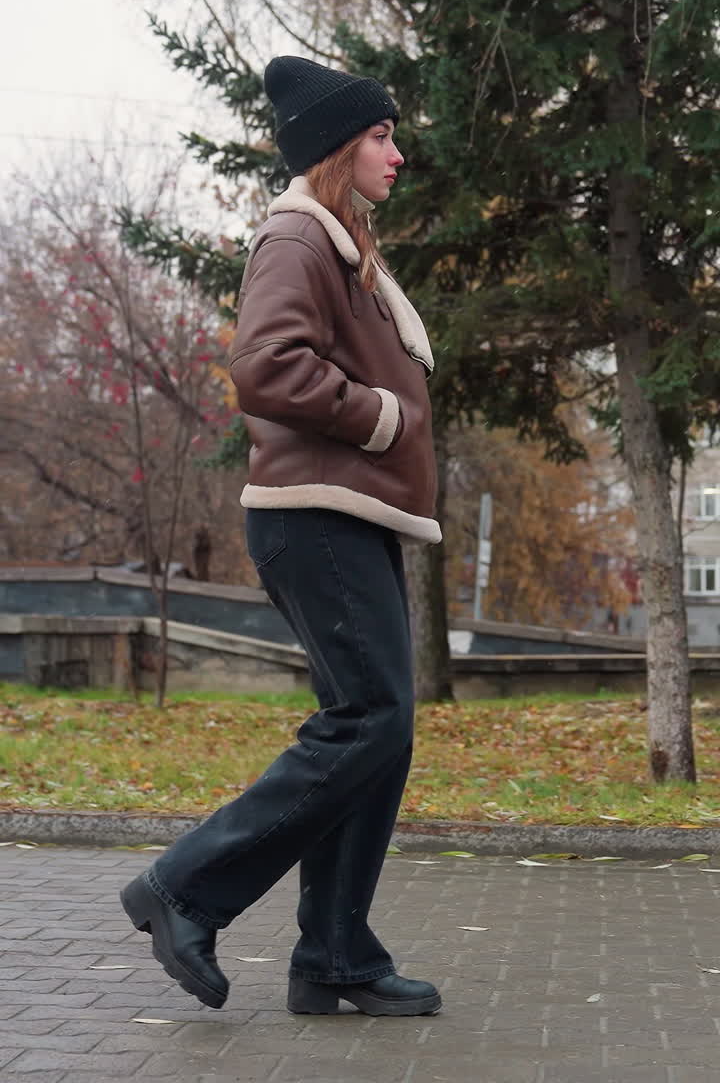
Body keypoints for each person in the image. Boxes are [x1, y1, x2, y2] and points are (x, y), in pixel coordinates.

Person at [120, 54, 442, 1018]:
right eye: (381, 135)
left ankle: (335, 954)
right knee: (370, 721)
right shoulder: (297, 239)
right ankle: (184, 887)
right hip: (316, 520)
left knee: (379, 733)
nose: (398, 151)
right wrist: (380, 416)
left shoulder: (340, 244)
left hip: (344, 518)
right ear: (339, 148)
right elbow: (265, 366)